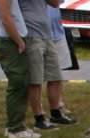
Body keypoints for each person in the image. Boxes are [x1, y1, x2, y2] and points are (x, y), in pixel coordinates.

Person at [0, 0, 39, 138]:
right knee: (18, 83)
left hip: (8, 38)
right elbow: (6, 19)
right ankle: (15, 129)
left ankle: (14, 125)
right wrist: (20, 42)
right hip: (9, 40)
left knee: (21, 82)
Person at [22, 0, 66, 130]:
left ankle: (56, 113)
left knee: (55, 76)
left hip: (47, 34)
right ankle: (39, 118)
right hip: (31, 35)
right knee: (36, 80)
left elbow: (55, 3)